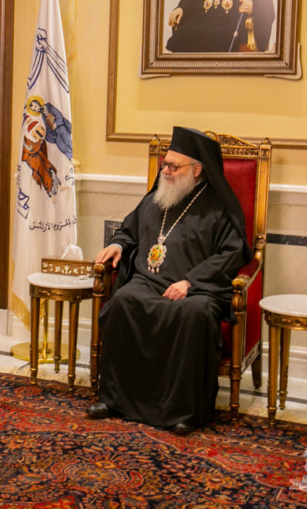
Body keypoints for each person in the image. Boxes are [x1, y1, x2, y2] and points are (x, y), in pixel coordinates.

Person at [86, 127, 251, 433]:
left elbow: (232, 254)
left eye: (174, 166)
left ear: (197, 170)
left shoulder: (219, 208)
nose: (166, 170)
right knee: (123, 302)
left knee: (193, 315)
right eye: (165, 164)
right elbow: (129, 230)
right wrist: (118, 245)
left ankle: (181, 412)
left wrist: (190, 283)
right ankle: (115, 400)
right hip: (149, 282)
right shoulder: (155, 199)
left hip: (196, 291)